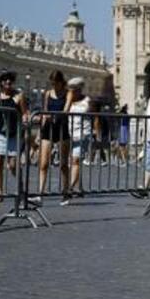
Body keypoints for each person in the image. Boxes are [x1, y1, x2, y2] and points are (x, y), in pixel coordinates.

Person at [0, 71, 25, 202]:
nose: (8, 82)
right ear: (1, 83)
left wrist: (27, 121)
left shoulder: (19, 96)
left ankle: (20, 187)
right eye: (5, 80)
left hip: (14, 134)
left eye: (10, 80)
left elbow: (25, 113)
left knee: (13, 165)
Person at [37, 69, 71, 202]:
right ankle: (40, 192)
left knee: (63, 164)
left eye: (56, 83)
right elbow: (45, 111)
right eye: (52, 83)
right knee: (44, 163)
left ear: (61, 82)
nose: (54, 86)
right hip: (48, 128)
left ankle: (65, 191)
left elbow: (66, 110)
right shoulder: (47, 94)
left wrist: (54, 115)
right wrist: (40, 132)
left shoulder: (68, 93)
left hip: (62, 127)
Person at [63, 77, 91, 204]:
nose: (71, 92)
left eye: (73, 90)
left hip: (83, 134)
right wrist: (68, 101)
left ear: (79, 90)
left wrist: (97, 133)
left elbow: (95, 117)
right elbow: (64, 113)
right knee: (72, 162)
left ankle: (70, 189)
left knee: (75, 160)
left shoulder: (87, 101)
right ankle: (79, 188)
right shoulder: (67, 101)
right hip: (69, 134)